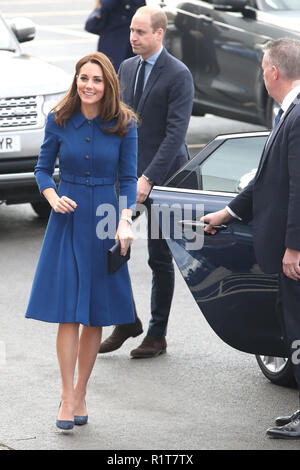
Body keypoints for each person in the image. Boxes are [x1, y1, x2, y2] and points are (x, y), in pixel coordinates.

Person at [25, 52, 138, 430]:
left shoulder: (125, 124)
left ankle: (81, 390)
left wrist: (125, 221)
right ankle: (66, 395)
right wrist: (51, 195)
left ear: (108, 85)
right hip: (68, 219)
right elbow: (42, 168)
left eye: (97, 80)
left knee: (94, 314)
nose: (88, 85)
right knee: (69, 313)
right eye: (83, 78)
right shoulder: (58, 119)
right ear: (76, 80)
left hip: (106, 220)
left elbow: (127, 179)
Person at [200, 38, 300, 439]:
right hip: (284, 248)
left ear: (274, 72)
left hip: (292, 254)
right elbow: (266, 180)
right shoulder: (287, 113)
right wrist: (229, 211)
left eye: (262, 69)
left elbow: (298, 188)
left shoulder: (297, 117)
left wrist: (294, 247)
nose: (262, 75)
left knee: (297, 332)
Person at [98, 6, 194, 358]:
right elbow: (120, 123)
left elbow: (174, 136)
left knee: (159, 258)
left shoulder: (178, 74)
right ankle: (127, 320)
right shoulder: (126, 67)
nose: (133, 37)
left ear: (159, 34)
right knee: (108, 243)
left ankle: (156, 334)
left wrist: (149, 179)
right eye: (131, 32)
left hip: (165, 178)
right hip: (128, 177)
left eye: (140, 32)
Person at [85, 0, 146, 72]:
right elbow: (106, 5)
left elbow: (142, 6)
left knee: (131, 72)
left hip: (130, 38)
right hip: (112, 39)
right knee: (109, 72)